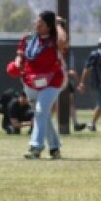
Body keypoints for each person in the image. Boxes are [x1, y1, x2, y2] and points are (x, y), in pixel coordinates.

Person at [17, 10, 65, 159]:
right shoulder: (29, 38)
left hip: (51, 82)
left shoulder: (54, 40)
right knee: (42, 115)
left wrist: (58, 25)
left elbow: (63, 41)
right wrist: (18, 63)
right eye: (37, 21)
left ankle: (36, 146)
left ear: (50, 26)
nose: (37, 24)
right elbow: (20, 54)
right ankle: (55, 147)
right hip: (31, 83)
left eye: (42, 23)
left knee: (40, 111)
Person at [77, 36, 101, 132]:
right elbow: (87, 68)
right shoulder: (95, 55)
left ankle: (91, 123)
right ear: (100, 45)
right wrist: (82, 82)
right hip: (99, 84)